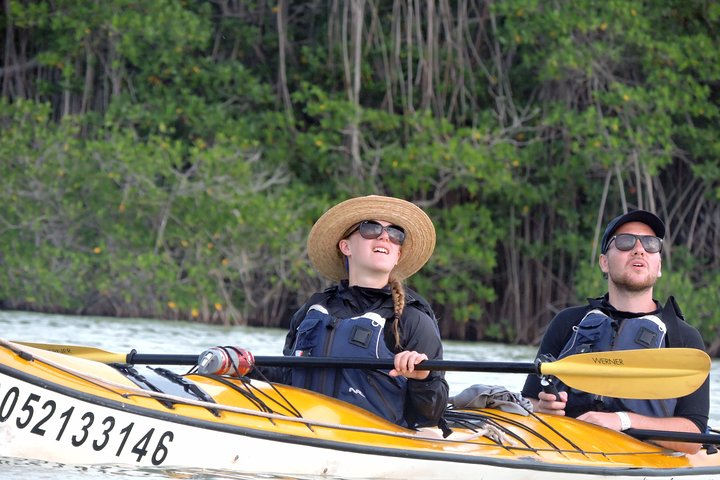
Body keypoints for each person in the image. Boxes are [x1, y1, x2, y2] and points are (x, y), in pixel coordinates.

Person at [249, 195, 449, 429]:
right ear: (346, 246)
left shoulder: (413, 320)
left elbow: (431, 415)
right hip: (302, 426)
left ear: (398, 256)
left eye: (395, 234)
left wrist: (422, 378)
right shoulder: (312, 311)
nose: (385, 236)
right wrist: (249, 366)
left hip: (372, 437)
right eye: (371, 228)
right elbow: (288, 377)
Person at [521, 210, 710, 454]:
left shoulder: (683, 337)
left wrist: (622, 421)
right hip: (565, 447)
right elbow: (529, 400)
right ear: (604, 262)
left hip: (639, 456)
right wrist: (542, 407)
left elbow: (693, 433)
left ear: (659, 265)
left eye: (651, 245)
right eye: (625, 242)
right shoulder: (568, 322)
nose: (639, 249)